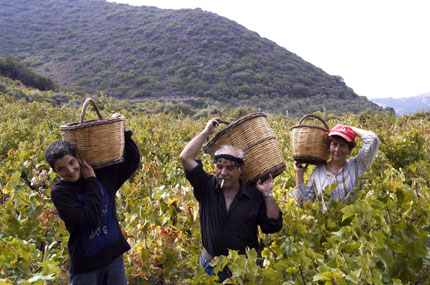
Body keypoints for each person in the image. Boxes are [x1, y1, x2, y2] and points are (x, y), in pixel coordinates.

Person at [179, 118, 283, 282]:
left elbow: (273, 226)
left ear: (240, 169)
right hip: (210, 266)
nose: (223, 172)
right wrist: (206, 132)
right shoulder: (206, 186)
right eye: (219, 167)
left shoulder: (254, 194)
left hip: (243, 269)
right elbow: (185, 157)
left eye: (230, 167)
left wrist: (268, 194)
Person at [45, 114, 140, 285]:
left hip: (113, 256)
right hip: (86, 265)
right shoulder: (60, 193)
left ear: (78, 157)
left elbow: (132, 161)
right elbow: (91, 218)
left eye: (71, 162)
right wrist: (90, 181)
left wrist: (124, 132)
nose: (70, 170)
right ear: (55, 172)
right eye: (61, 168)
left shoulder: (102, 174)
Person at [290, 124, 380, 211]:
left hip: (351, 225)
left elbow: (373, 139)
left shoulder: (356, 165)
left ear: (349, 150)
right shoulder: (318, 172)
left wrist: (349, 129)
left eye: (343, 145)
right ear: (329, 147)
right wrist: (299, 173)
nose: (337, 150)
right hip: (325, 225)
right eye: (334, 144)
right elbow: (304, 204)